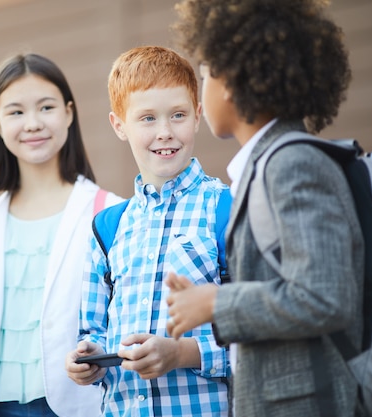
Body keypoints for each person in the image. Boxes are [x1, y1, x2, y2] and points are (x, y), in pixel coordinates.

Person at [166, 1, 364, 416]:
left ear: (233, 81)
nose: (203, 86)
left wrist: (215, 303)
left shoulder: (292, 164)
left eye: (204, 74)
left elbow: (324, 295)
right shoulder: (268, 165)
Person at [0, 53, 122, 417]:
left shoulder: (111, 213)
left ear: (69, 112)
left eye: (46, 107)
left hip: (82, 405)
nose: (32, 123)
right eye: (16, 112)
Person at [66, 45, 231, 416]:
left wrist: (183, 354)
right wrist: (90, 358)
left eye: (178, 115)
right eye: (147, 119)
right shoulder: (109, 227)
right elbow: (92, 331)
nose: (165, 132)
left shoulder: (226, 210)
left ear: (198, 115)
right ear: (119, 125)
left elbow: (260, 340)